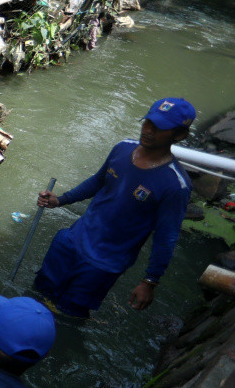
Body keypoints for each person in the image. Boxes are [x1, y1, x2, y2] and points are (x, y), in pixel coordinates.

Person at [33, 97, 195, 317]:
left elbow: (166, 237)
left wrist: (150, 281)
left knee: (68, 315)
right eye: (147, 122)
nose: (148, 130)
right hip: (71, 241)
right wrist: (60, 200)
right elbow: (98, 181)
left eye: (159, 128)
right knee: (37, 295)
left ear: (179, 135)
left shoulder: (176, 185)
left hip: (103, 263)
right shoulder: (122, 148)